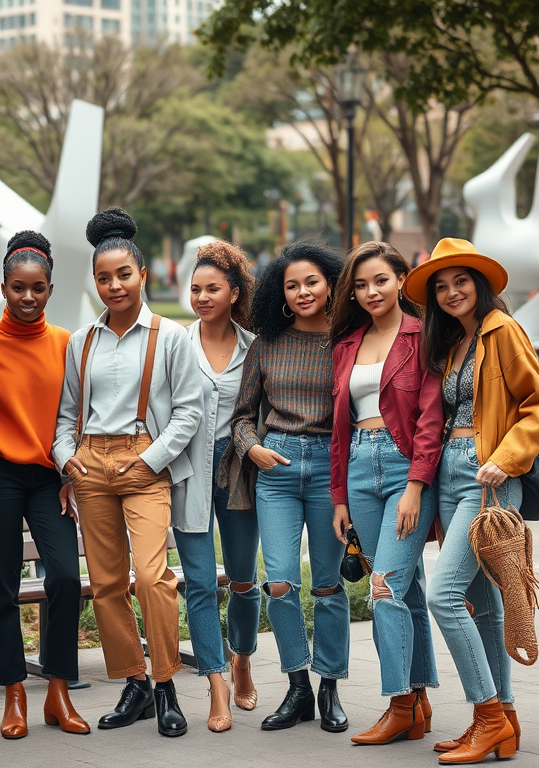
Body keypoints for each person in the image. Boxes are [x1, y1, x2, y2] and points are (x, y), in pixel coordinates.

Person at [406, 238, 539, 764]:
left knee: (443, 596)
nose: (451, 293)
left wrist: (507, 458)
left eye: (460, 282)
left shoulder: (503, 331)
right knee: (484, 604)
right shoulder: (452, 343)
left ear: (481, 283)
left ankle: (487, 716)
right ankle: (506, 718)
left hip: (487, 475)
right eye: (440, 286)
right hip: (450, 474)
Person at [52, 208, 203, 738]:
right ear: (94, 282)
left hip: (144, 462)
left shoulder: (172, 336)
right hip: (90, 465)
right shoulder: (81, 341)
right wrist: (63, 457)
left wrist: (149, 460)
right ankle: (134, 683)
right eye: (103, 278)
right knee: (108, 584)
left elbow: (189, 411)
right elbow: (68, 412)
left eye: (123, 275)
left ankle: (165, 684)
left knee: (154, 578)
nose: (113, 285)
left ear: (143, 275)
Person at [0, 231, 89, 740]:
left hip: (49, 478)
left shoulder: (66, 343)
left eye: (37, 288)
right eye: (18, 288)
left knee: (64, 577)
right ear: (3, 288)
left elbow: (80, 414)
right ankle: (14, 692)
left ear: (49, 288)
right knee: (2, 585)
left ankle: (57, 689)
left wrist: (70, 472)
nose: (28, 298)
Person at [231, 240, 349, 733]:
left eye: (312, 282)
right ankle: (297, 685)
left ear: (330, 285)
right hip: (275, 471)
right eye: (292, 285)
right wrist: (252, 447)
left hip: (329, 469)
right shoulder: (267, 343)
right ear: (281, 293)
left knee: (327, 586)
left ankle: (329, 688)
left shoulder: (347, 342)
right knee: (279, 584)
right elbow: (240, 418)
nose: (302, 292)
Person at [329, 242, 443, 745]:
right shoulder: (347, 344)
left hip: (404, 470)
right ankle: (417, 702)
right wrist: (338, 497)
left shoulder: (423, 336)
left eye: (380, 280)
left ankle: (397, 703)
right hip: (358, 470)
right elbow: (339, 428)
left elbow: (431, 419)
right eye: (360, 284)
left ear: (401, 279)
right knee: (407, 589)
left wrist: (416, 485)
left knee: (385, 589)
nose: (370, 291)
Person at [175, 240, 260, 733]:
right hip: (187, 469)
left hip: (239, 468)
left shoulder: (255, 348)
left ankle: (243, 657)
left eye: (212, 289)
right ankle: (216, 683)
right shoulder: (176, 344)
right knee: (202, 582)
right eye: (195, 289)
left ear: (233, 293)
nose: (202, 297)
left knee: (245, 580)